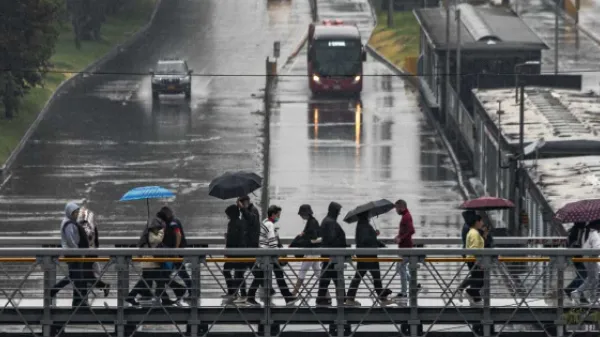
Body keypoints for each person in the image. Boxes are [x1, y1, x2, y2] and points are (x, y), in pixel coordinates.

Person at [246, 205, 299, 306]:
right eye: (278, 214)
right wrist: (280, 255)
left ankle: (251, 297)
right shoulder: (270, 225)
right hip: (268, 256)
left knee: (267, 275)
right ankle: (287, 297)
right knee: (276, 275)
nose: (279, 216)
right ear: (273, 214)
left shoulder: (266, 222)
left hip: (265, 255)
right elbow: (272, 243)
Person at [126, 217, 180, 307]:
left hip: (150, 261)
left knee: (152, 280)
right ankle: (166, 297)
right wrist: (162, 232)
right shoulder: (151, 234)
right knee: (155, 279)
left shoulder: (148, 233)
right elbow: (157, 240)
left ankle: (165, 298)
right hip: (150, 261)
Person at [345, 212, 392, 306]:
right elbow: (366, 240)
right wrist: (374, 235)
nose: (370, 216)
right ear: (365, 215)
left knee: (363, 277)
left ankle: (350, 298)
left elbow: (368, 239)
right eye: (369, 214)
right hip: (368, 256)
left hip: (365, 255)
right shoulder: (364, 225)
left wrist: (376, 237)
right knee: (374, 277)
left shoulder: (362, 225)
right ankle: (382, 298)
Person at [51, 202, 90, 307]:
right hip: (72, 254)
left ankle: (78, 301)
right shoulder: (69, 224)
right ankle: (55, 291)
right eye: (75, 212)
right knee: (76, 276)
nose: (77, 214)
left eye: (77, 212)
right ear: (70, 212)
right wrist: (78, 252)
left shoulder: (68, 222)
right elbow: (71, 241)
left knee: (76, 276)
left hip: (72, 253)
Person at [316, 202, 347, 306]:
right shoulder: (331, 222)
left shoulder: (327, 221)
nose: (339, 214)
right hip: (333, 257)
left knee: (327, 279)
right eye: (338, 212)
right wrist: (343, 248)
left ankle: (321, 298)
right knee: (337, 279)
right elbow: (333, 239)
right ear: (334, 211)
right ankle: (343, 300)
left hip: (329, 256)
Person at [157, 206, 190, 301]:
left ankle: (187, 291)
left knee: (178, 273)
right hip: (172, 252)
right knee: (173, 273)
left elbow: (178, 235)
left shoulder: (173, 222)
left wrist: (176, 250)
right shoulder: (172, 221)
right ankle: (164, 294)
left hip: (175, 253)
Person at [290, 204, 323, 296]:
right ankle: (325, 294)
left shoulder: (311, 223)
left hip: (311, 252)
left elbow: (314, 238)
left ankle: (294, 292)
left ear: (305, 214)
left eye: (301, 214)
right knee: (318, 272)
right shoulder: (312, 221)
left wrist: (303, 238)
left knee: (302, 271)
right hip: (314, 251)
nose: (300, 216)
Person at [394, 199, 420, 302]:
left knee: (400, 268)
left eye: (396, 208)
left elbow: (411, 230)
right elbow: (406, 231)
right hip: (404, 247)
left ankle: (404, 292)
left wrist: (401, 238)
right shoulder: (405, 216)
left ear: (401, 207)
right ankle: (414, 285)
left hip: (406, 248)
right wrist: (398, 236)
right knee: (400, 268)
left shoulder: (406, 217)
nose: (396, 210)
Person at [456, 214, 485, 306]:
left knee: (478, 279)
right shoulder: (474, 233)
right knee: (479, 279)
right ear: (477, 222)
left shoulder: (472, 231)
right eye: (481, 221)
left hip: (472, 259)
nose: (482, 223)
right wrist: (478, 262)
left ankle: (474, 297)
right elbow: (475, 248)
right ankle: (467, 292)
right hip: (474, 260)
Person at [570, 221, 600, 305]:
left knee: (592, 278)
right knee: (594, 278)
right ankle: (591, 297)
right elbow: (597, 248)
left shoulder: (586, 233)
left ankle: (580, 294)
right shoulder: (594, 234)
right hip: (592, 259)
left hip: (586, 258)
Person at [222, 204, 247, 301]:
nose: (227, 216)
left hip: (234, 253)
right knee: (239, 273)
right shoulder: (240, 222)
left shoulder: (233, 223)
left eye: (227, 214)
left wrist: (227, 251)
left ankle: (233, 291)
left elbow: (232, 240)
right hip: (240, 252)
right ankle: (240, 293)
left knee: (227, 270)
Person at [564, 222, 587, 303]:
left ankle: (581, 296)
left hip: (576, 255)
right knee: (583, 275)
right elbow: (578, 243)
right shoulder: (578, 231)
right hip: (578, 256)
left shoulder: (574, 230)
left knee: (581, 275)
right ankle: (570, 289)